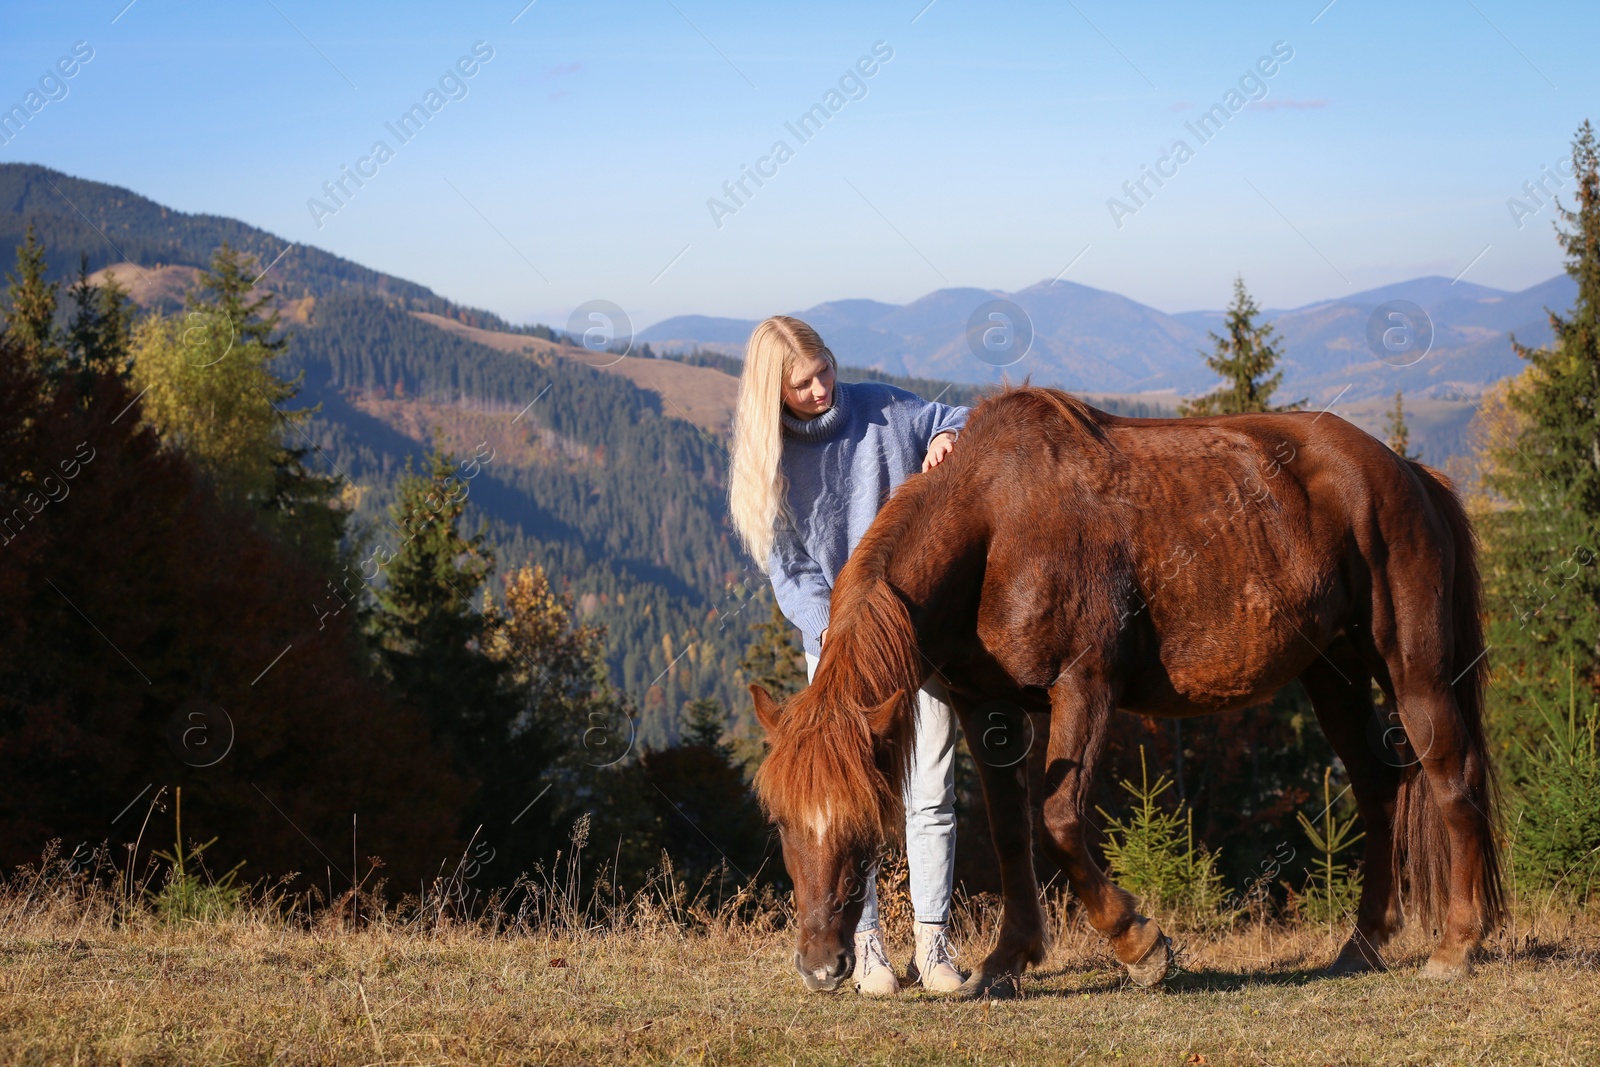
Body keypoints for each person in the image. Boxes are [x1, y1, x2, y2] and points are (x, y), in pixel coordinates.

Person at [728, 315, 968, 996]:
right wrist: (827, 625)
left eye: (824, 369)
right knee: (833, 809)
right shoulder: (770, 458)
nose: (819, 387)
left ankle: (935, 945)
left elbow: (962, 413)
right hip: (836, 652)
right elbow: (789, 567)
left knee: (931, 789)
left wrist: (949, 433)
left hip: (918, 638)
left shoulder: (885, 407)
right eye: (801, 382)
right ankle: (865, 950)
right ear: (772, 391)